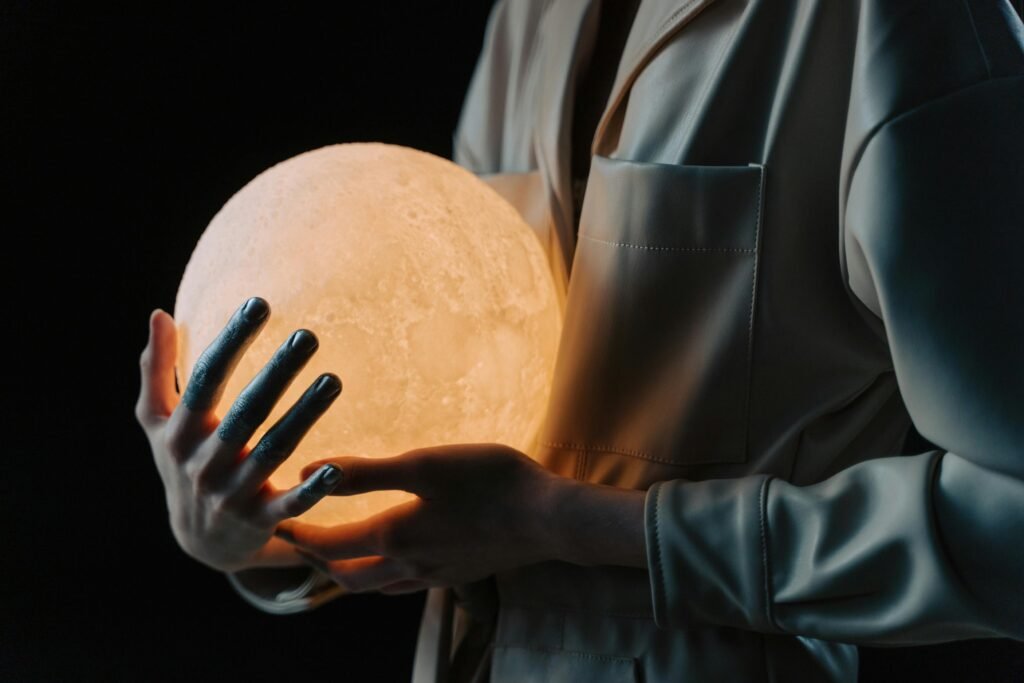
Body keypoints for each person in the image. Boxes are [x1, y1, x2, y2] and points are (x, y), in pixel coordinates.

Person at [135, 0, 1024, 680]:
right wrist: (247, 533)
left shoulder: (899, 24)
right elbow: (445, 415)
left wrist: (569, 523)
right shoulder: (533, 14)